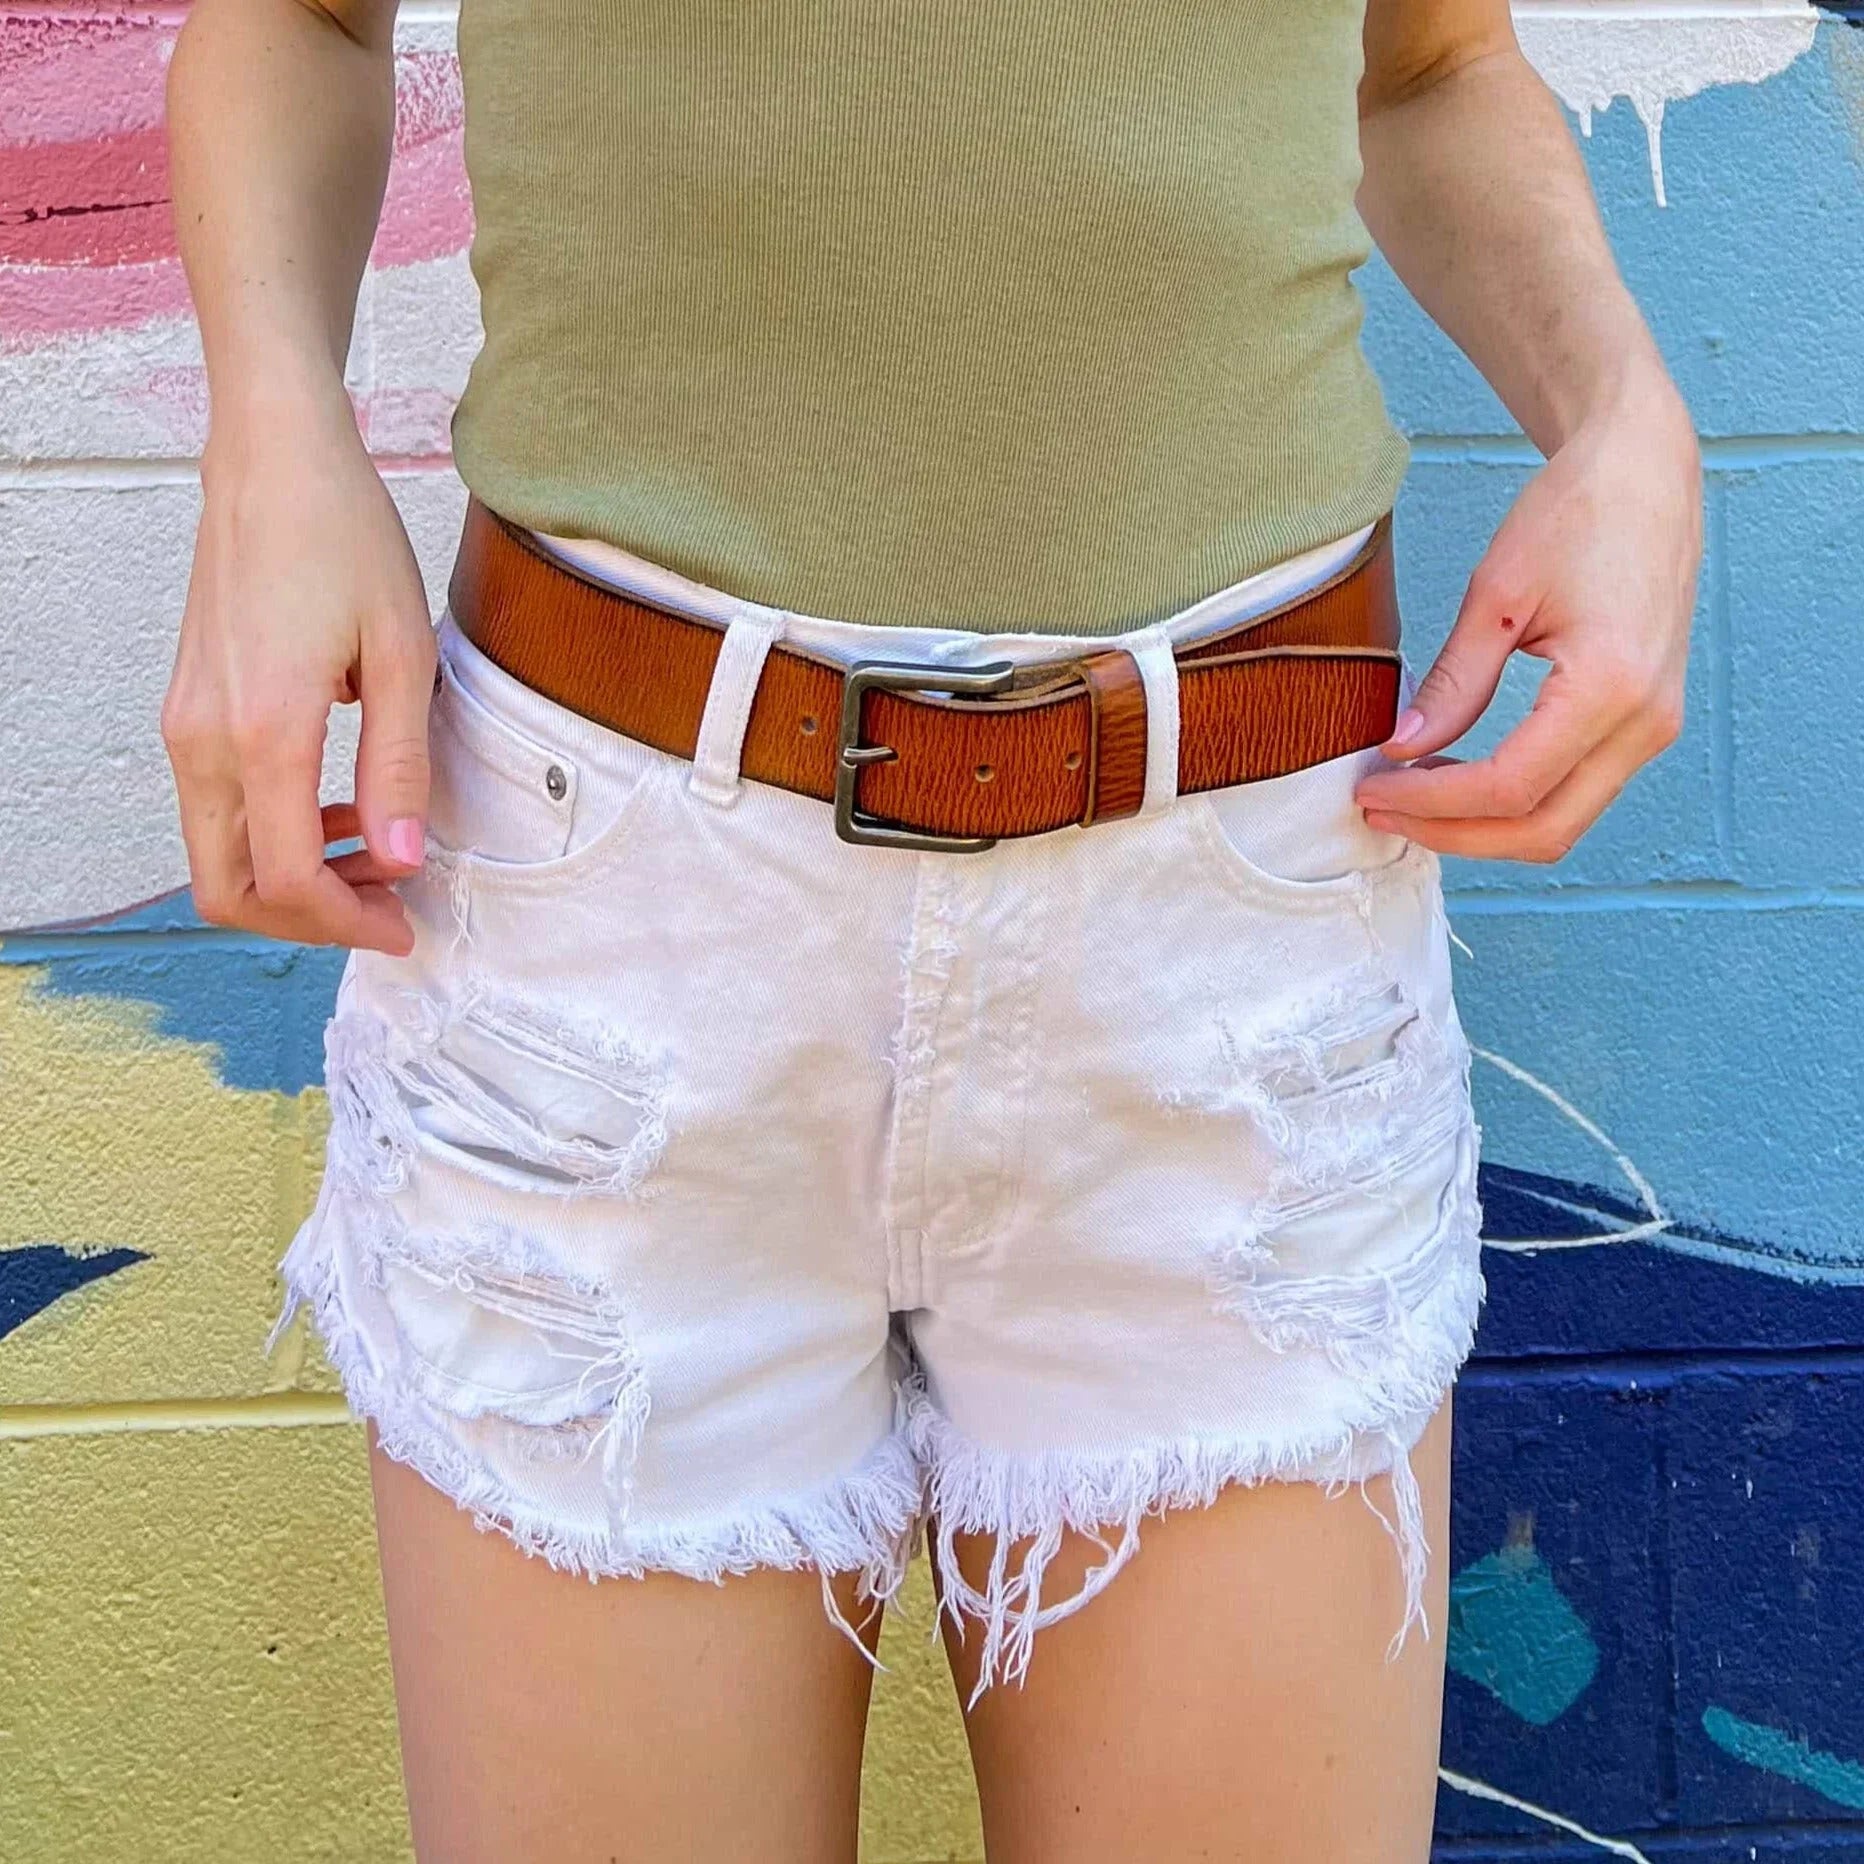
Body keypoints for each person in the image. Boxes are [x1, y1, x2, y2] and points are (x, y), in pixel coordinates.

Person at [161, 0, 1700, 1857]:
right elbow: (303, 22)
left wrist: (1622, 412)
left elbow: (1431, 64)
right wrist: (271, 429)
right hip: (629, 926)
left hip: (1232, 927)